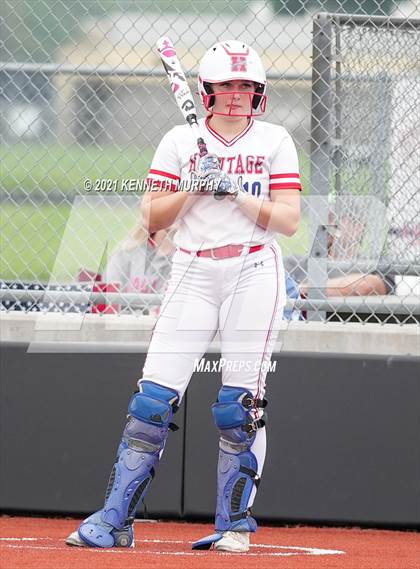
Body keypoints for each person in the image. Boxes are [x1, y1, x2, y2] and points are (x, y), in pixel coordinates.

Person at [66, 40, 301, 553]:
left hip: (254, 270)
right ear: (207, 91)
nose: (236, 96)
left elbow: (288, 219)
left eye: (246, 87)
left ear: (258, 93)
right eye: (226, 86)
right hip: (192, 271)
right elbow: (151, 216)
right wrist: (195, 185)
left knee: (239, 406)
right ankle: (115, 520)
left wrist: (236, 192)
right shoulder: (178, 140)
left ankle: (233, 526)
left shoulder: (275, 140)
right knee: (151, 400)